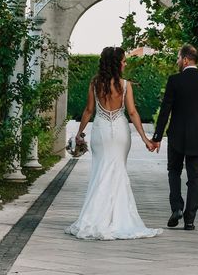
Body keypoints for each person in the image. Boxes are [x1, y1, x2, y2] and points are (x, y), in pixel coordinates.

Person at [66, 47, 162, 240]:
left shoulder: (95, 83)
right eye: (124, 61)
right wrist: (145, 139)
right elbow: (133, 113)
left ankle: (95, 217)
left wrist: (79, 133)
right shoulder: (125, 85)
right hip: (119, 131)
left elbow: (88, 110)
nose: (125, 63)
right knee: (117, 171)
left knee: (101, 170)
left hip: (100, 131)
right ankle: (116, 218)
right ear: (116, 63)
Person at [152, 44, 198, 231]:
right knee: (194, 178)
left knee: (174, 171)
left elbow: (165, 111)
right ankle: (190, 220)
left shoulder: (175, 81)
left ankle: (177, 208)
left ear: (186, 59)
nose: (177, 61)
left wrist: (157, 136)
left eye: (178, 58)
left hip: (177, 136)